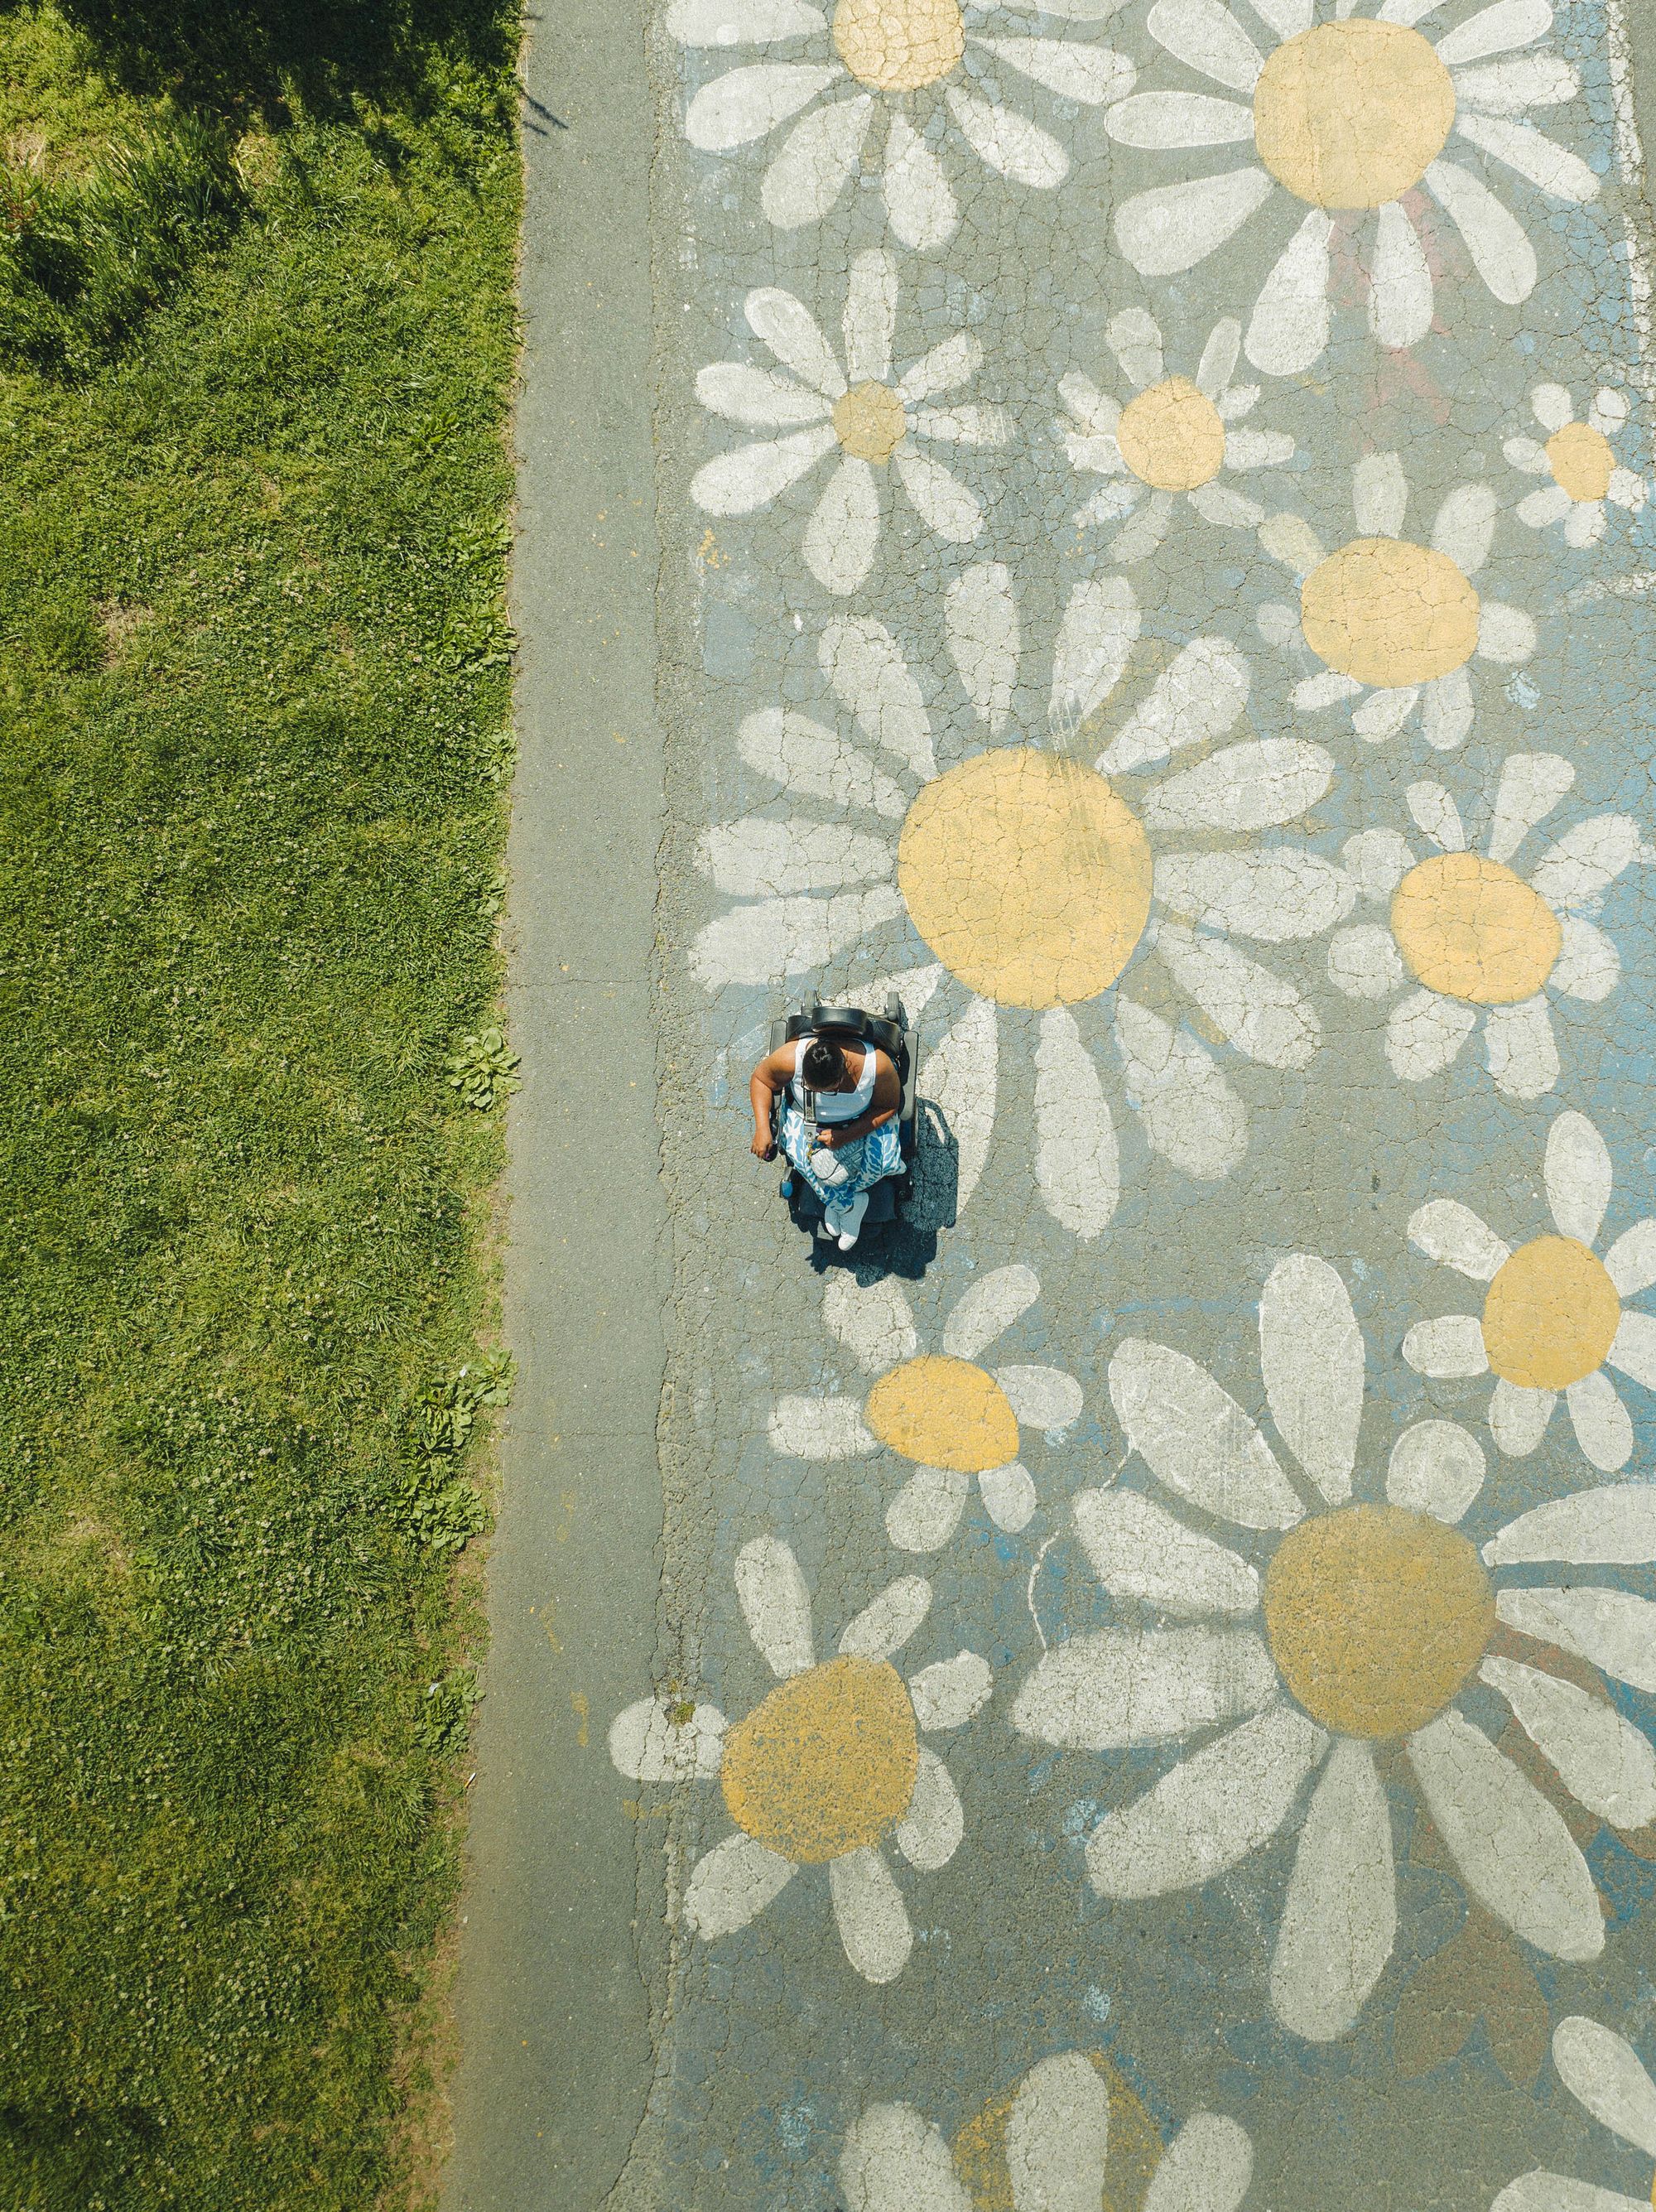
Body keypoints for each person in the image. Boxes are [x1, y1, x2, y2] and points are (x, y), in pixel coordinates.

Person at [750, 1028, 903, 1251]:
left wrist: (846, 1136)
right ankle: (849, 1206)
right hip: (808, 1118)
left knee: (881, 1165)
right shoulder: (790, 1058)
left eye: (828, 1091)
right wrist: (762, 1127)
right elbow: (761, 1081)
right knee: (804, 1161)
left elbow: (889, 1105)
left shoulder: (876, 1066)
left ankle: (838, 1201)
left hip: (861, 1121)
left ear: (842, 1076)